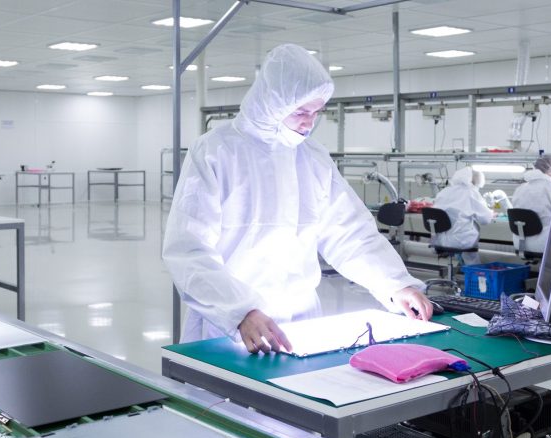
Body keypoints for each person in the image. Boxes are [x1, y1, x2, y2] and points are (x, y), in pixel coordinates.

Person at [163, 44, 432, 354]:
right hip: (229, 328)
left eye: (316, 112)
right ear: (273, 103)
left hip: (299, 324)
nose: (309, 122)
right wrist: (239, 311)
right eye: (302, 111)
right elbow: (188, 250)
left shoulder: (313, 157)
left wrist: (395, 284)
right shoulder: (216, 151)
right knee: (224, 400)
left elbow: (349, 234)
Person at [431, 166, 495, 265]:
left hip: (439, 240)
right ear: (474, 183)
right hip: (460, 240)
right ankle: (473, 274)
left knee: (466, 228)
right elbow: (485, 220)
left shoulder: (444, 192)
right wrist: (491, 213)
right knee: (472, 232)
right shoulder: (471, 193)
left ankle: (461, 271)